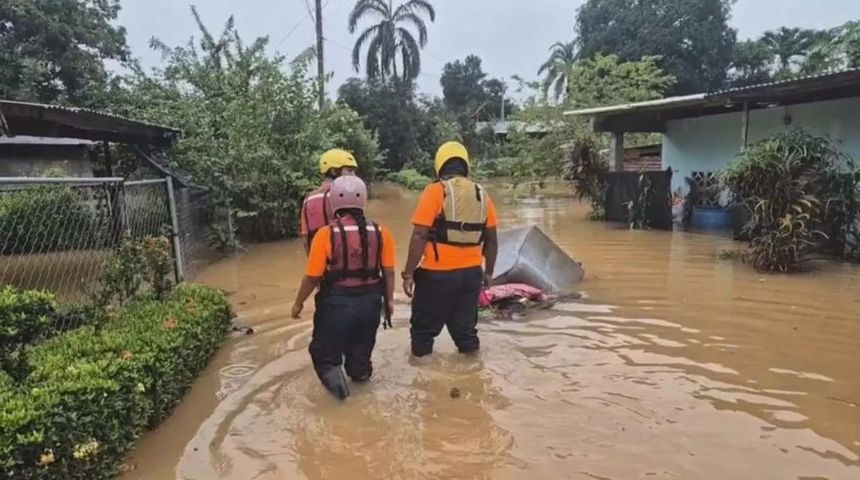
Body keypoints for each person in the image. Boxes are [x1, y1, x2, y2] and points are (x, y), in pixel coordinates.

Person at [291, 175, 396, 400]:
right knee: (359, 363)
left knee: (325, 358)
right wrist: (389, 302)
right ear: (363, 200)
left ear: (334, 203)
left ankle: (342, 404)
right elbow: (388, 272)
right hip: (370, 306)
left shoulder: (325, 235)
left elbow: (312, 277)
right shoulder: (381, 232)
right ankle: (362, 394)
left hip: (336, 306)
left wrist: (298, 303)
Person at [401, 141, 499, 357]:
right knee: (466, 333)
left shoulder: (435, 191)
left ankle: (423, 379)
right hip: (471, 275)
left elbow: (419, 234)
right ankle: (473, 375)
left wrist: (408, 273)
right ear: (465, 166)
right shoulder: (482, 195)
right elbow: (492, 240)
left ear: (440, 166)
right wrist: (489, 273)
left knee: (422, 334)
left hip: (436, 276)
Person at [301, 149, 359, 253]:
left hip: (320, 263)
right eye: (350, 171)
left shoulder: (308, 199)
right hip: (345, 262)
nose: (354, 176)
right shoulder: (350, 196)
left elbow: (305, 239)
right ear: (334, 171)